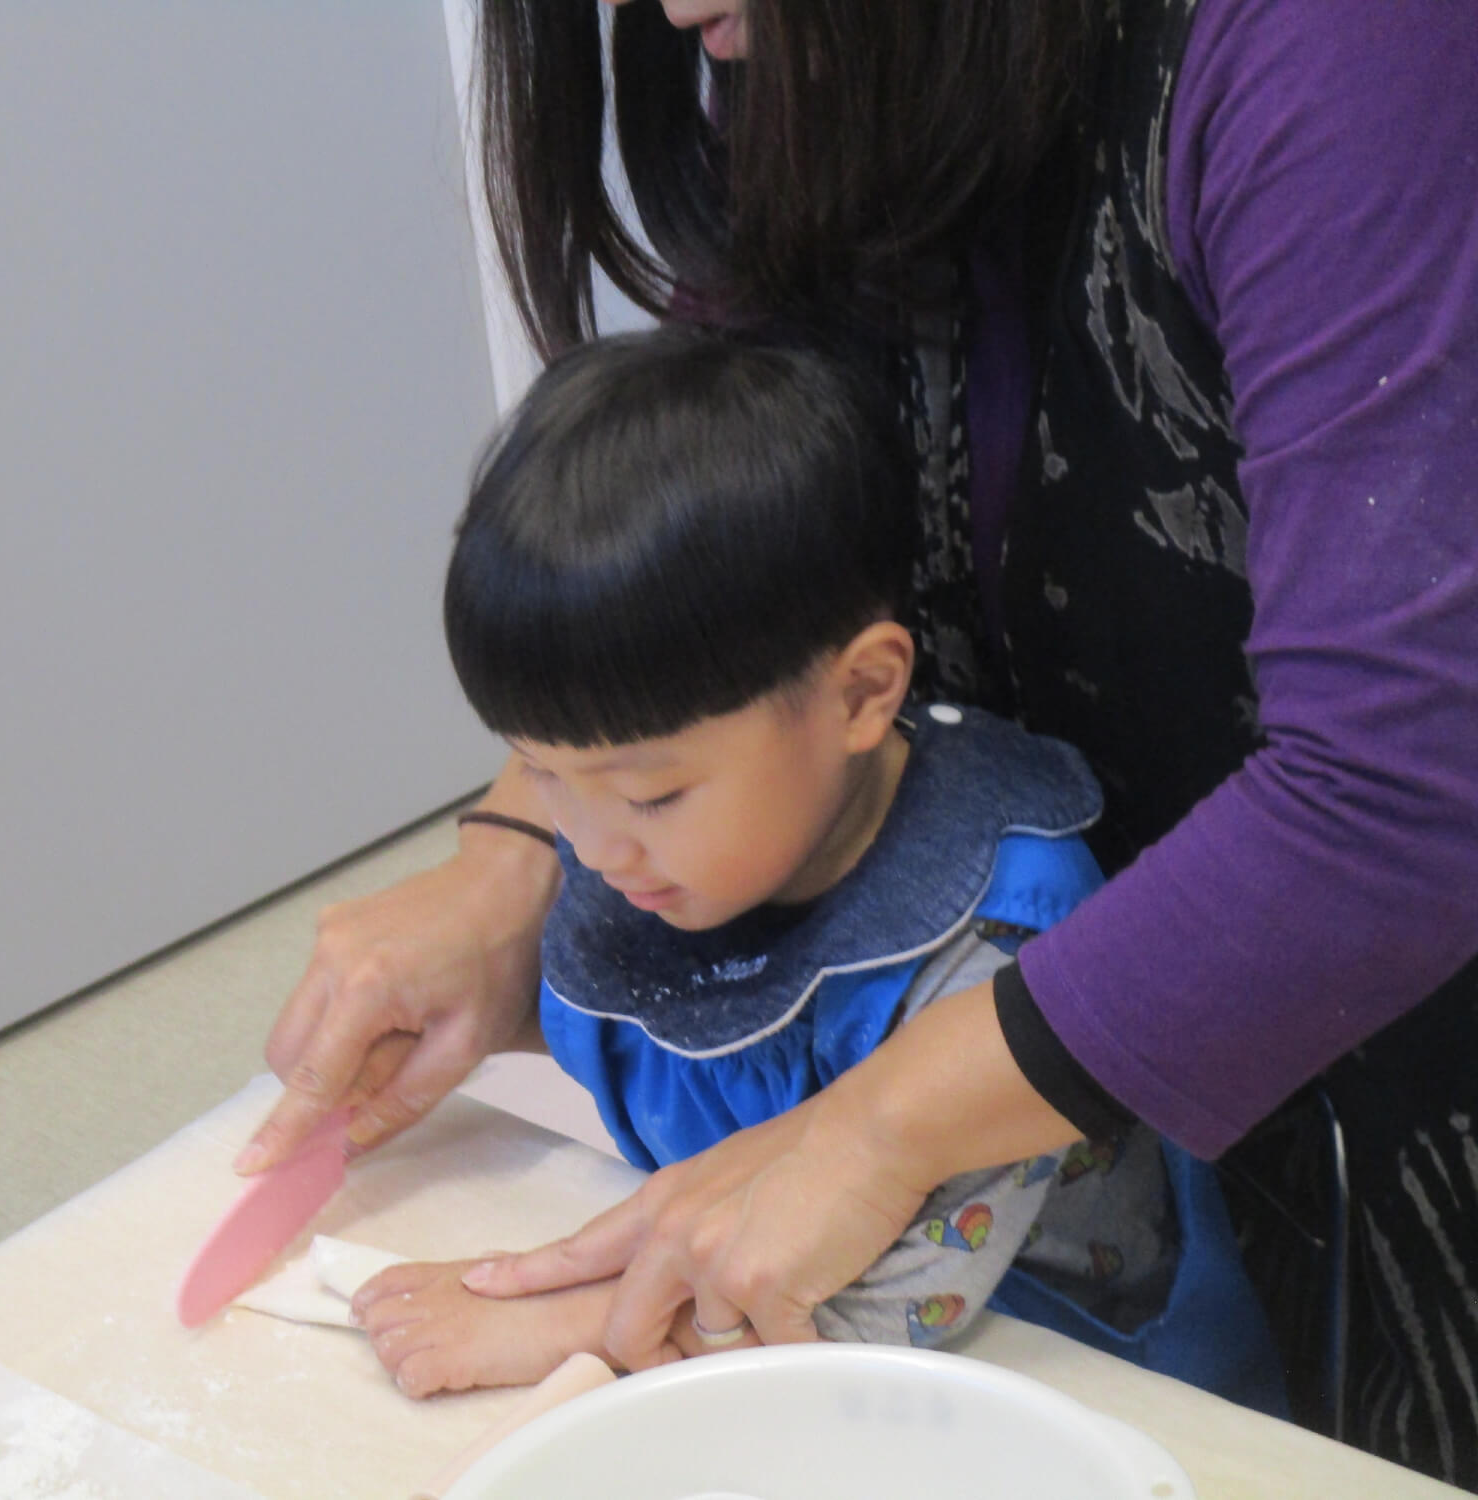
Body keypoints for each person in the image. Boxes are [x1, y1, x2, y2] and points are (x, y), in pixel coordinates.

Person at [242, 0, 1478, 1478]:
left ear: (872, 688)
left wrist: (870, 1134)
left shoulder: (1343, 48)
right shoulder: (816, 39)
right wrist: (523, 857)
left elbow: (1403, 799)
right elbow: (721, 569)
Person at [347, 327, 1285, 1413]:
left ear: (857, 695)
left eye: (651, 794)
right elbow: (680, 1039)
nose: (597, 848)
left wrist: (576, 1327)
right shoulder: (677, 842)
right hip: (774, 1370)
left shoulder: (997, 935)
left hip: (1066, 1395)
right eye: (544, 773)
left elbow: (898, 1301)